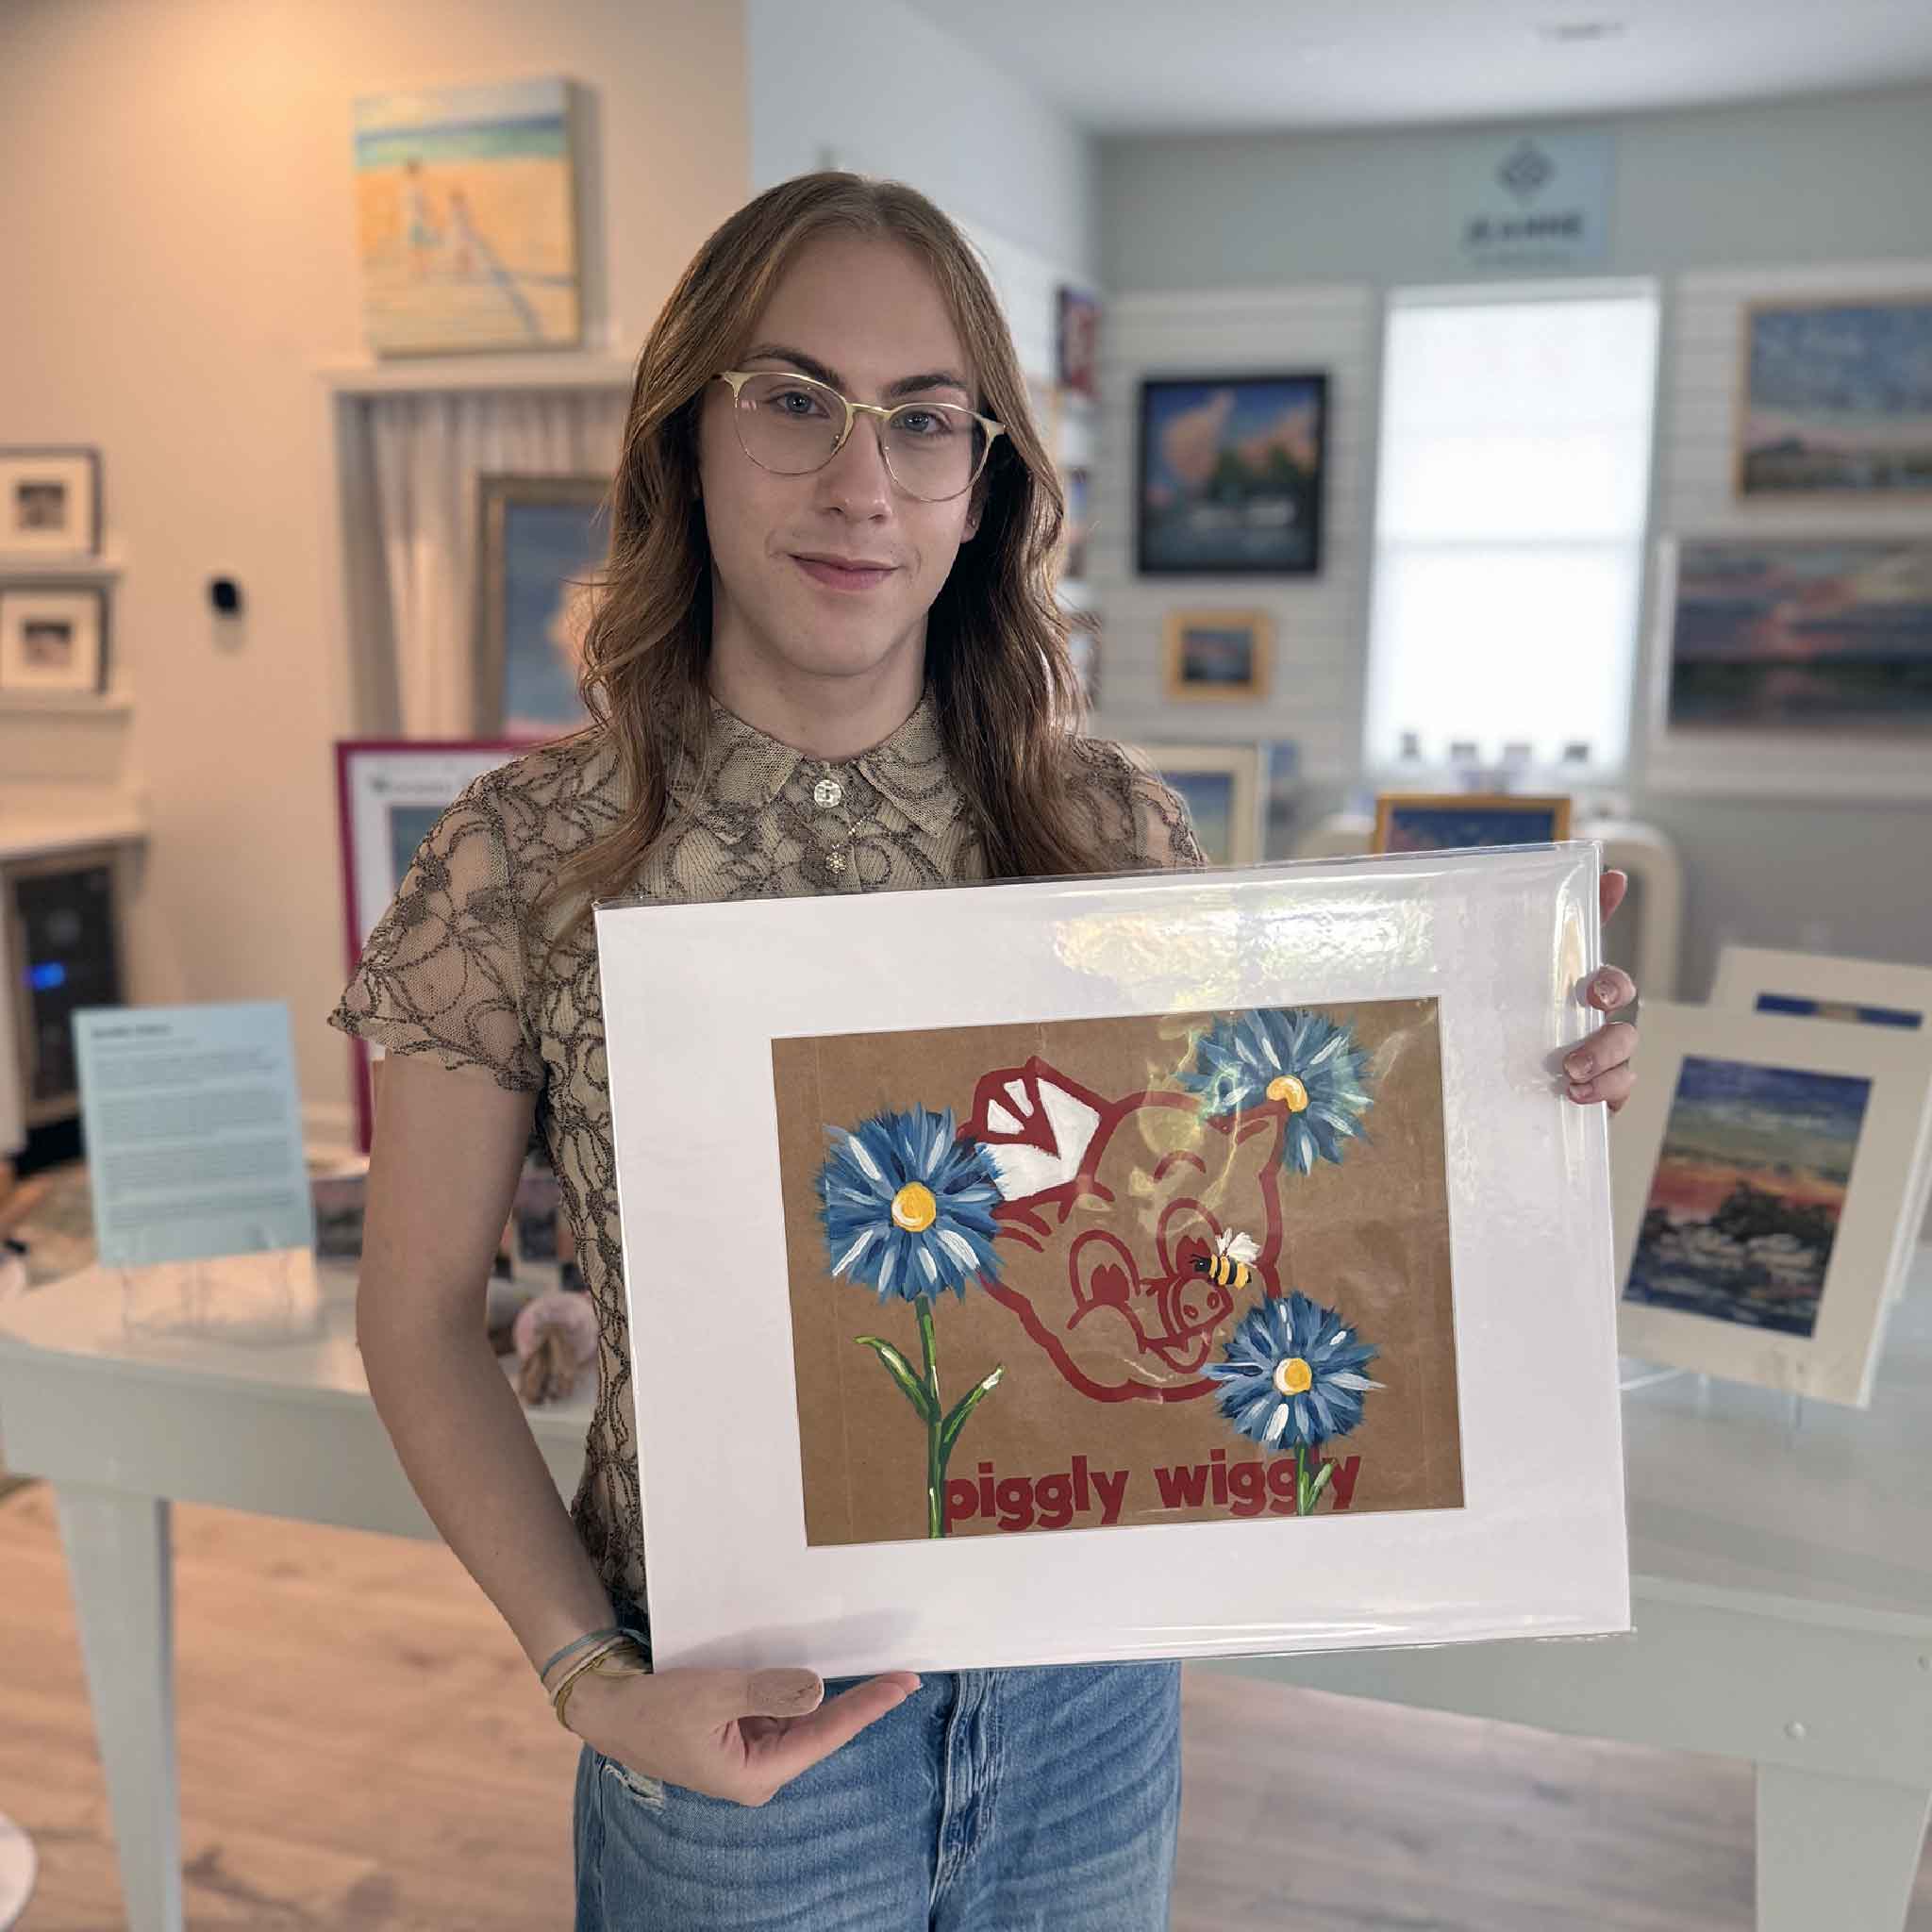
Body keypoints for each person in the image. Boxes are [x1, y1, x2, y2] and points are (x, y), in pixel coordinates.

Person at [331, 171, 1641, 1931]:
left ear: (983, 489)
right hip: (737, 1731)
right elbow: (415, 1313)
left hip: (1091, 1708)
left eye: (925, 424)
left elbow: (1241, 1234)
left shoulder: (1112, 834)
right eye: (794, 400)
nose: (859, 481)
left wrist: (1502, 1095)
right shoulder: (523, 857)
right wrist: (587, 1676)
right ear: (685, 442)